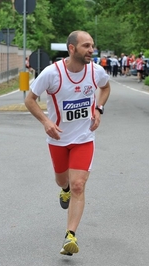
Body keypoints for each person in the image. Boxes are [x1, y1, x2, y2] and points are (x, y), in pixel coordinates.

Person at [25, 30, 111, 255]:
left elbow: (106, 87)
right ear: (72, 49)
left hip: (84, 138)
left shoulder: (95, 71)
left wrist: (99, 109)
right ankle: (63, 188)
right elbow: (29, 99)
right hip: (58, 139)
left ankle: (70, 236)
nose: (91, 50)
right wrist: (46, 122)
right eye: (86, 46)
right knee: (62, 180)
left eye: (92, 45)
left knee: (78, 185)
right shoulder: (52, 73)